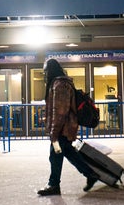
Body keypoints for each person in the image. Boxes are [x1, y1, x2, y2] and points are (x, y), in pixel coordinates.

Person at [37, 58, 99, 196]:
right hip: (63, 128)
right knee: (69, 153)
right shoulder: (58, 83)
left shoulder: (60, 85)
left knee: (55, 156)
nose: (45, 74)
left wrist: (54, 131)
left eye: (45, 71)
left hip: (62, 129)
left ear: (51, 70)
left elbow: (61, 111)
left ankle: (54, 185)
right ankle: (91, 174)